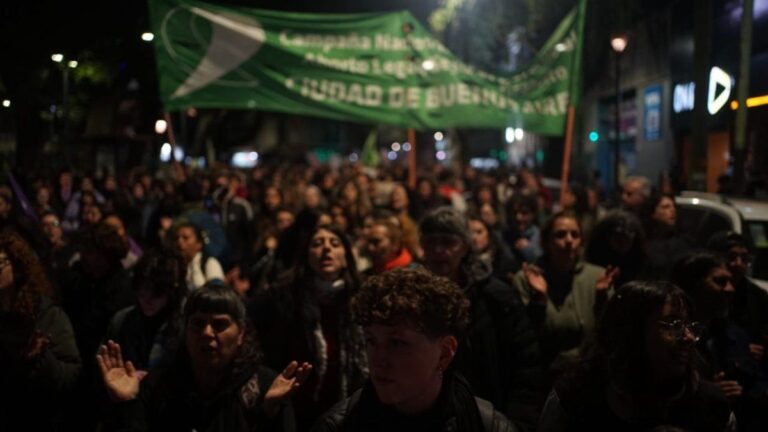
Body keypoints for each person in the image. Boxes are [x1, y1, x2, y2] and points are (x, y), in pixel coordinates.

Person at [312, 268, 515, 432]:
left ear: (444, 353)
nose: (378, 359)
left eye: (397, 343)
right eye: (371, 341)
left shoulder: (489, 425)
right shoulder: (337, 426)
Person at [97, 282, 311, 431]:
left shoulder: (266, 387)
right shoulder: (159, 385)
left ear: (240, 334)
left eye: (219, 324)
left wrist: (268, 414)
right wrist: (126, 403)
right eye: (198, 323)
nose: (207, 333)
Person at [539, 280, 735, 431]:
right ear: (631, 330)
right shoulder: (577, 394)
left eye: (688, 326)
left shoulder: (710, 403)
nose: (689, 337)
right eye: (673, 324)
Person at [419, 207, 543, 431]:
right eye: (430, 242)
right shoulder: (412, 296)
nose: (438, 250)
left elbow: (525, 361)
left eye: (448, 242)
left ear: (464, 247)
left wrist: (518, 421)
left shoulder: (495, 297)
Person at [250, 225, 368, 430]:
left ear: (346, 255)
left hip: (346, 403)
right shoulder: (282, 296)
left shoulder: (362, 296)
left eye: (334, 243)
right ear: (306, 255)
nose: (326, 249)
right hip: (296, 404)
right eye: (317, 244)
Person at [512, 211, 617, 379]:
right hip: (544, 375)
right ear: (546, 242)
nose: (569, 240)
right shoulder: (527, 278)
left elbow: (608, 332)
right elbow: (528, 336)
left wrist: (602, 298)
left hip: (588, 373)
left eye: (575, 235)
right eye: (560, 235)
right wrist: (539, 300)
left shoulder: (597, 277)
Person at [671, 252, 768, 431]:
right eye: (720, 281)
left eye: (730, 282)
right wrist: (708, 392)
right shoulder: (671, 338)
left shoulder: (731, 333)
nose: (730, 289)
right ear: (693, 285)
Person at [0, 229, 81, 431]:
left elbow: (70, 375)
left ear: (18, 268)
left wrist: (41, 359)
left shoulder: (45, 314)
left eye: (0, 263)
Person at [104, 250, 187, 371]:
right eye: (142, 293)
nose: (147, 300)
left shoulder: (185, 326)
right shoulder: (122, 320)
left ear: (172, 293)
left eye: (157, 293)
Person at [585, 210, 647, 287]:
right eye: (618, 236)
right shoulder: (596, 254)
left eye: (626, 237)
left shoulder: (638, 259)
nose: (622, 241)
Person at [642, 193, 691, 280]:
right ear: (653, 213)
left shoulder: (685, 241)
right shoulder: (644, 242)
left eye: (673, 206)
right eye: (665, 207)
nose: (672, 210)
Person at [174, 222, 225, 291]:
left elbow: (217, 293)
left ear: (199, 243)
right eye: (177, 238)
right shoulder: (176, 265)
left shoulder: (210, 263)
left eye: (185, 238)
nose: (179, 241)